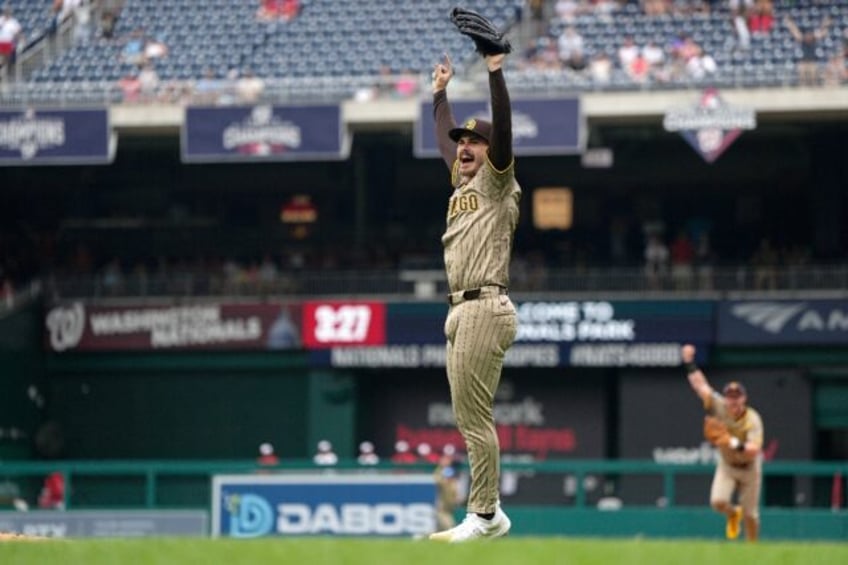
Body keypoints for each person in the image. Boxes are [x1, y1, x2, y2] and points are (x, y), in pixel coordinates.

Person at [427, 46, 520, 543]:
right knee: (466, 416)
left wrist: (495, 73)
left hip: (485, 303)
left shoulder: (498, 181)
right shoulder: (461, 181)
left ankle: (484, 514)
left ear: (490, 152)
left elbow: (501, 131)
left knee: (475, 418)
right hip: (460, 308)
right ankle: (492, 514)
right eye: (464, 140)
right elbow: (446, 143)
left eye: (474, 142)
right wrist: (439, 95)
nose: (465, 146)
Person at [681, 343, 764, 542]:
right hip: (727, 465)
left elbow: (754, 449)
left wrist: (733, 442)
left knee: (750, 515)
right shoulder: (719, 405)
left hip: (749, 468)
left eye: (737, 397)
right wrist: (689, 363)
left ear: (744, 398)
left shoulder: (752, 419)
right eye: (729, 397)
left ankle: (753, 551)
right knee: (718, 502)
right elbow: (700, 385)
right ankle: (731, 514)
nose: (733, 401)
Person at [433, 453, 461, 532]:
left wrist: (456, 496)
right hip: (442, 504)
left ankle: (423, 538)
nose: (445, 461)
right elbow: (438, 481)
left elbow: (454, 485)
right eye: (443, 459)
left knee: (439, 529)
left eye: (447, 459)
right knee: (449, 525)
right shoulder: (439, 471)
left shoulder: (451, 471)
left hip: (450, 503)